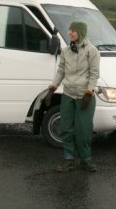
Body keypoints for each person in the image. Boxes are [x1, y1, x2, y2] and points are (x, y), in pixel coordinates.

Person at [46, 21, 100, 173]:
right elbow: (61, 71)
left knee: (83, 130)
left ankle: (86, 159)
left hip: (85, 97)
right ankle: (69, 159)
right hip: (68, 95)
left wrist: (89, 93)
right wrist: (52, 89)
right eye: (70, 30)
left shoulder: (92, 51)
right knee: (65, 128)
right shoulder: (66, 51)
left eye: (74, 31)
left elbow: (94, 74)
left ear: (81, 33)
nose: (70, 33)